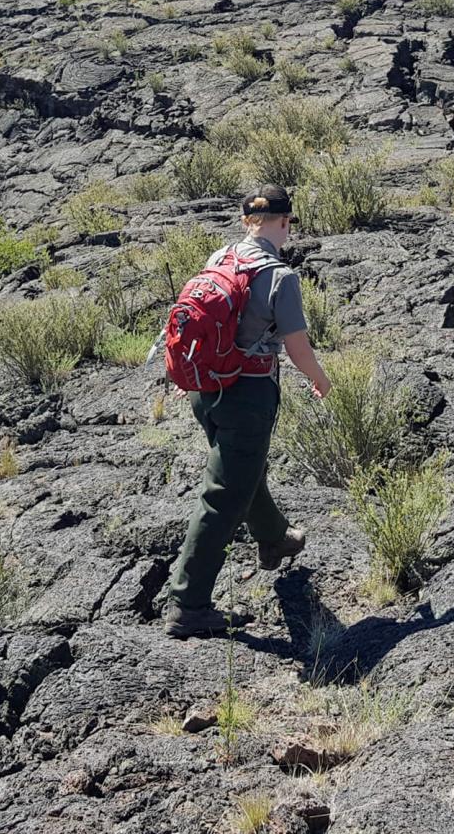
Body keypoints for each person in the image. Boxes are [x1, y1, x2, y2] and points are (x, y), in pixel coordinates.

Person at [163, 185, 333, 639]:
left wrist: (193, 375)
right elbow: (296, 346)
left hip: (207, 389)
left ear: (246, 222)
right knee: (223, 495)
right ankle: (188, 603)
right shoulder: (280, 277)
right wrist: (319, 378)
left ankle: (275, 537)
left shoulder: (221, 256)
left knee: (242, 470)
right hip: (249, 392)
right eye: (288, 224)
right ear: (285, 223)